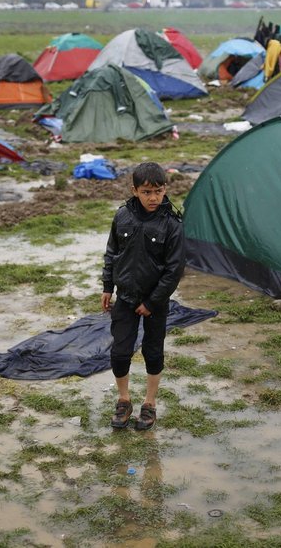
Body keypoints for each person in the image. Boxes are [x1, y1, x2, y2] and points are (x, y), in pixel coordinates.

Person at [102, 162, 185, 431]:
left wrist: (152, 302)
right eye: (147, 192)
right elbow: (112, 253)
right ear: (135, 190)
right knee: (120, 351)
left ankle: (150, 403)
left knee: (152, 351)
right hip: (125, 297)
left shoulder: (172, 225)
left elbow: (174, 271)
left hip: (155, 303)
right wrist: (107, 286)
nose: (153, 198)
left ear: (165, 190)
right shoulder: (122, 216)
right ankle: (123, 399)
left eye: (158, 191)